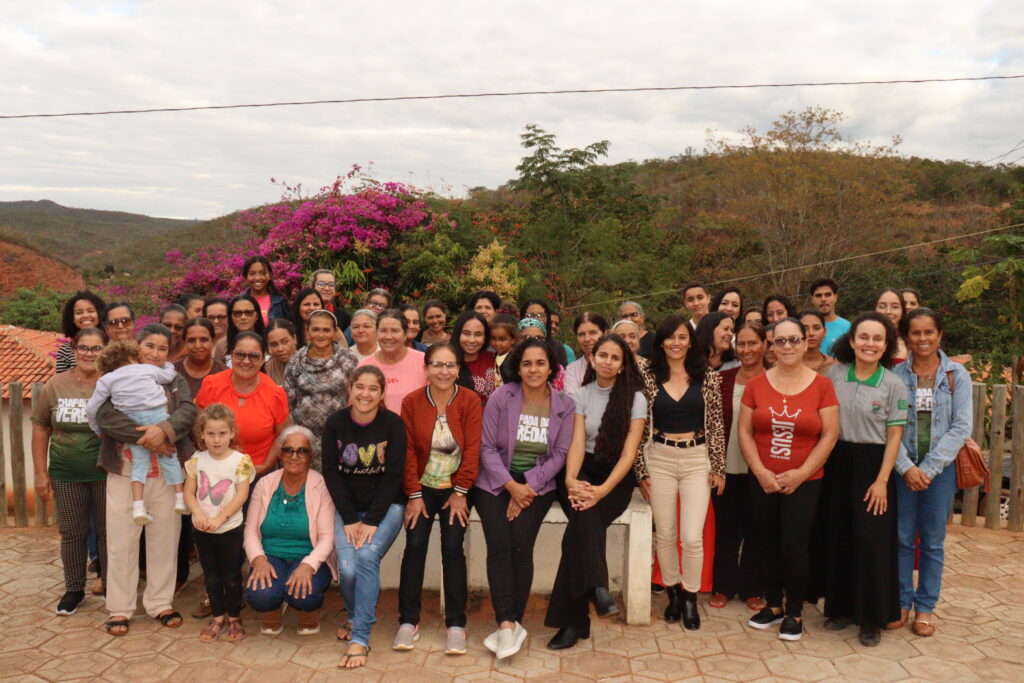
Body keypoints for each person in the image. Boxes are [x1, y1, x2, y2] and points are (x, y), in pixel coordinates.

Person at [471, 338, 574, 659]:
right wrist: (510, 486)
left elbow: (560, 454)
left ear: (551, 367)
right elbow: (486, 448)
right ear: (518, 367)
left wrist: (526, 487)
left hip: (537, 485)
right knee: (499, 543)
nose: (533, 370)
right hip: (494, 482)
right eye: (527, 363)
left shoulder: (564, 404)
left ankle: (513, 621)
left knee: (520, 543)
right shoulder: (501, 397)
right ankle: (506, 623)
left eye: (540, 363)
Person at [739, 317, 839, 641]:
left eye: (794, 339)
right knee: (766, 543)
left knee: (794, 546)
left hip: (805, 481)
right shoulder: (757, 384)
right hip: (763, 478)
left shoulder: (822, 385)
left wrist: (801, 474)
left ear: (805, 341)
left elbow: (830, 434)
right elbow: (744, 431)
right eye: (780, 341)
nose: (787, 346)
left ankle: (794, 611)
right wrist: (760, 471)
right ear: (772, 345)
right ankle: (773, 605)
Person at [545, 334, 648, 650]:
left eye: (615, 357)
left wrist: (602, 491)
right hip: (582, 470)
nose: (607, 361)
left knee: (577, 533)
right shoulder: (581, 395)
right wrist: (570, 480)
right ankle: (598, 589)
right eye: (603, 355)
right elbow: (576, 443)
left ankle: (576, 621)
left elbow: (629, 454)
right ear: (592, 358)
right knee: (584, 520)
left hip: (615, 477)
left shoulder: (636, 399)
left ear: (623, 365)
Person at [94, 323, 196, 636]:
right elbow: (105, 417)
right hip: (124, 472)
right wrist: (148, 438)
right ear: (138, 347)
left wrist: (163, 432)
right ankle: (120, 608)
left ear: (169, 353)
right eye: (149, 346)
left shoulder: (174, 378)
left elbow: (187, 411)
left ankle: (160, 602)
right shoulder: (117, 375)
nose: (154, 353)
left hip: (167, 473)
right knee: (122, 541)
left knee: (165, 538)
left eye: (162, 348)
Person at [393, 343, 482, 654]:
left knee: (453, 546)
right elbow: (406, 451)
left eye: (450, 365)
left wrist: (461, 492)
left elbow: (473, 449)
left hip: (456, 488)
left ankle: (456, 625)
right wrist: (414, 494)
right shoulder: (412, 401)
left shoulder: (469, 400)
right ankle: (408, 621)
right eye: (437, 365)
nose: (444, 371)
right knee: (415, 544)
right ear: (426, 369)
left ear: (458, 369)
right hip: (421, 488)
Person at [823, 312, 906, 647]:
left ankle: (871, 617)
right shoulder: (834, 375)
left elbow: (895, 436)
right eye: (864, 337)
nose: (870, 344)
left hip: (874, 466)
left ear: (886, 345)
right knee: (839, 534)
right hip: (837, 461)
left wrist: (882, 480)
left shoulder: (893, 384)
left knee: (872, 541)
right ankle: (841, 608)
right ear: (852, 341)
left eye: (877, 339)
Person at [891, 307, 971, 638]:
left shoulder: (956, 375)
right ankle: (901, 601)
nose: (922, 339)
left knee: (933, 542)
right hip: (902, 471)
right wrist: (907, 467)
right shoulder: (895, 375)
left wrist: (928, 468)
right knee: (901, 538)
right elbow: (887, 426)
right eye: (916, 333)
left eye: (929, 332)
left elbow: (961, 426)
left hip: (940, 472)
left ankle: (925, 607)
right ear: (906, 336)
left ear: (939, 334)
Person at [321, 366, 407, 670]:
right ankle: (355, 616)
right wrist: (350, 518)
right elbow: (331, 472)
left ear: (382, 393)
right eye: (360, 387)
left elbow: (394, 476)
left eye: (373, 388)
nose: (365, 394)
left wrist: (371, 520)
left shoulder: (393, 424)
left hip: (386, 508)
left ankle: (360, 637)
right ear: (350, 388)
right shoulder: (335, 423)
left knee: (367, 556)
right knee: (347, 570)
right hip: (348, 511)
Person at [646, 314, 726, 630]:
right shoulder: (648, 376)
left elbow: (716, 424)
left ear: (690, 341)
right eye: (670, 337)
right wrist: (640, 470)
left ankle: (691, 597)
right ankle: (674, 593)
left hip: (697, 458)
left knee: (692, 536)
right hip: (659, 458)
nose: (676, 343)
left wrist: (718, 467)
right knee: (665, 534)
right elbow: (639, 425)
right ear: (661, 342)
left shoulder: (707, 377)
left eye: (682, 337)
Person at [32, 327, 109, 615]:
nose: (89, 353)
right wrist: (41, 473)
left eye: (96, 348)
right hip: (66, 472)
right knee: (73, 533)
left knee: (108, 532)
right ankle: (74, 589)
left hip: (106, 471)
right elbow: (41, 427)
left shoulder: (112, 382)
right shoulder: (56, 385)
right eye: (83, 348)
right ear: (74, 350)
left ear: (105, 350)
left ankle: (111, 584)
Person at [245, 426, 337, 637]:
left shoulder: (322, 486)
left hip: (308, 554)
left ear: (311, 456)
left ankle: (307, 611)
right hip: (271, 554)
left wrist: (308, 565)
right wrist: (258, 560)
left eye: (302, 451)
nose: (294, 456)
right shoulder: (265, 484)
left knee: (305, 594)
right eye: (288, 450)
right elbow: (250, 530)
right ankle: (274, 606)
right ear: (280, 454)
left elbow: (327, 538)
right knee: (261, 596)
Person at [86, 340, 186, 524]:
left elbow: (92, 408)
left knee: (139, 463)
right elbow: (168, 375)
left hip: (133, 422)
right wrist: (168, 364)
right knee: (170, 458)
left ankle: (138, 507)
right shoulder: (146, 369)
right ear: (133, 357)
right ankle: (180, 498)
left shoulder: (106, 380)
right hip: (158, 416)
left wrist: (96, 428)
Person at [184, 403, 255, 642]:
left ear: (232, 433)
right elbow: (189, 492)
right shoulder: (197, 460)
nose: (216, 439)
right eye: (211, 433)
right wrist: (198, 514)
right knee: (211, 575)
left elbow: (241, 494)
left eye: (222, 433)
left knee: (232, 576)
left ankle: (234, 617)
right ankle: (217, 617)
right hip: (203, 530)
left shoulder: (240, 461)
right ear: (202, 434)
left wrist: (220, 519)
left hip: (230, 529)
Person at [711, 322, 767, 611]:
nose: (746, 349)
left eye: (753, 343)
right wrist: (714, 466)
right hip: (726, 468)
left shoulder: (774, 380)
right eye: (741, 344)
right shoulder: (721, 379)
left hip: (761, 469)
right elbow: (710, 425)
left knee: (757, 529)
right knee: (726, 530)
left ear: (765, 345)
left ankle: (753, 589)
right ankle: (723, 586)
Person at [195, 332, 290, 479]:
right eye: (240, 355)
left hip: (258, 473)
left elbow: (282, 434)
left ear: (263, 360)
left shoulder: (275, 393)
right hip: (214, 471)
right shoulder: (211, 385)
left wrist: (266, 466)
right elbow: (198, 427)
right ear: (231, 356)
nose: (246, 361)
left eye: (254, 356)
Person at [283, 310, 358, 470]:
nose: (321, 334)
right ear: (308, 331)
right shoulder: (296, 361)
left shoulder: (348, 359)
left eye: (326, 330)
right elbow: (289, 402)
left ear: (335, 332)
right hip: (305, 438)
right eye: (316, 329)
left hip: (340, 435)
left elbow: (356, 397)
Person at [360, 309, 427, 413]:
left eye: (395, 331)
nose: (388, 337)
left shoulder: (423, 362)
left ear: (405, 333)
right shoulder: (365, 367)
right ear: (376, 333)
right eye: (383, 330)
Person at [175, 318, 228, 399]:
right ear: (184, 342)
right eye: (192, 340)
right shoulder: (172, 372)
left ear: (212, 341)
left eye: (203, 340)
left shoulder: (225, 375)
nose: (198, 346)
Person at [453, 310, 498, 404]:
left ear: (485, 337)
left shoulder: (494, 359)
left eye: (478, 334)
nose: (472, 340)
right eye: (466, 333)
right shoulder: (448, 363)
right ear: (458, 334)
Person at [56, 291, 106, 373]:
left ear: (100, 314)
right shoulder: (65, 351)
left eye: (90, 311)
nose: (85, 316)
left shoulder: (112, 346)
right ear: (72, 318)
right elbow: (61, 380)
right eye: (79, 312)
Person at [563, 312, 608, 396]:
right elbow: (572, 401)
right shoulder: (573, 369)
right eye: (582, 334)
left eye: (592, 333)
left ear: (604, 333)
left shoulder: (614, 365)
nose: (587, 339)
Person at [214, 294, 267, 365]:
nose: (243, 317)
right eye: (237, 313)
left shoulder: (270, 341)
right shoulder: (222, 345)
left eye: (248, 313)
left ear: (257, 316)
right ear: (231, 317)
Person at [520, 298, 569, 368]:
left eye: (541, 315)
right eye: (530, 315)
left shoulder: (557, 347)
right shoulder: (514, 344)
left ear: (547, 318)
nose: (536, 319)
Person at [241, 255, 289, 325]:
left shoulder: (280, 302)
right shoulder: (238, 302)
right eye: (252, 274)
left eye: (262, 273)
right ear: (246, 277)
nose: (257, 278)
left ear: (270, 275)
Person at [809, 277, 850, 355]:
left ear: (835, 297)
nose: (823, 299)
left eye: (828, 295)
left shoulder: (848, 328)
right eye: (818, 295)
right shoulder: (802, 328)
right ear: (812, 299)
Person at [874, 288, 909, 362]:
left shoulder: (911, 342)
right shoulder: (863, 340)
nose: (888, 311)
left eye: (895, 307)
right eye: (882, 306)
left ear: (902, 312)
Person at [264, 319, 298, 385]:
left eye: (285, 342)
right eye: (274, 344)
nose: (280, 349)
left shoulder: (309, 364)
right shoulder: (266, 368)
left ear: (294, 339)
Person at [490, 314, 518, 382]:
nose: (497, 343)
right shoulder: (493, 357)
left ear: (513, 339)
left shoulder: (514, 361)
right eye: (493, 338)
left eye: (502, 339)